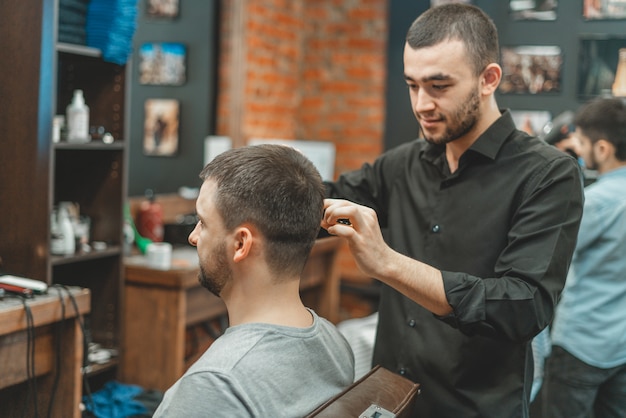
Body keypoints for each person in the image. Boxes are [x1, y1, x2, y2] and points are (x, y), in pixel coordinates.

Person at [321, 4, 584, 417]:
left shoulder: (549, 175)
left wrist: (389, 264)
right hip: (390, 401)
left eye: (439, 86)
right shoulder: (402, 164)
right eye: (412, 85)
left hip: (473, 408)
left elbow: (522, 305)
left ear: (488, 79)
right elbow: (330, 197)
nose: (421, 103)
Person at [153, 144, 355, 417]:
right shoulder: (336, 344)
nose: (193, 237)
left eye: (203, 222)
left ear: (240, 244)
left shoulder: (214, 387)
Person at [543, 98, 626, 418]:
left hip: (581, 344)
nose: (578, 147)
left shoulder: (597, 203)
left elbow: (550, 251)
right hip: (620, 345)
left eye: (584, 143)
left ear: (603, 149)